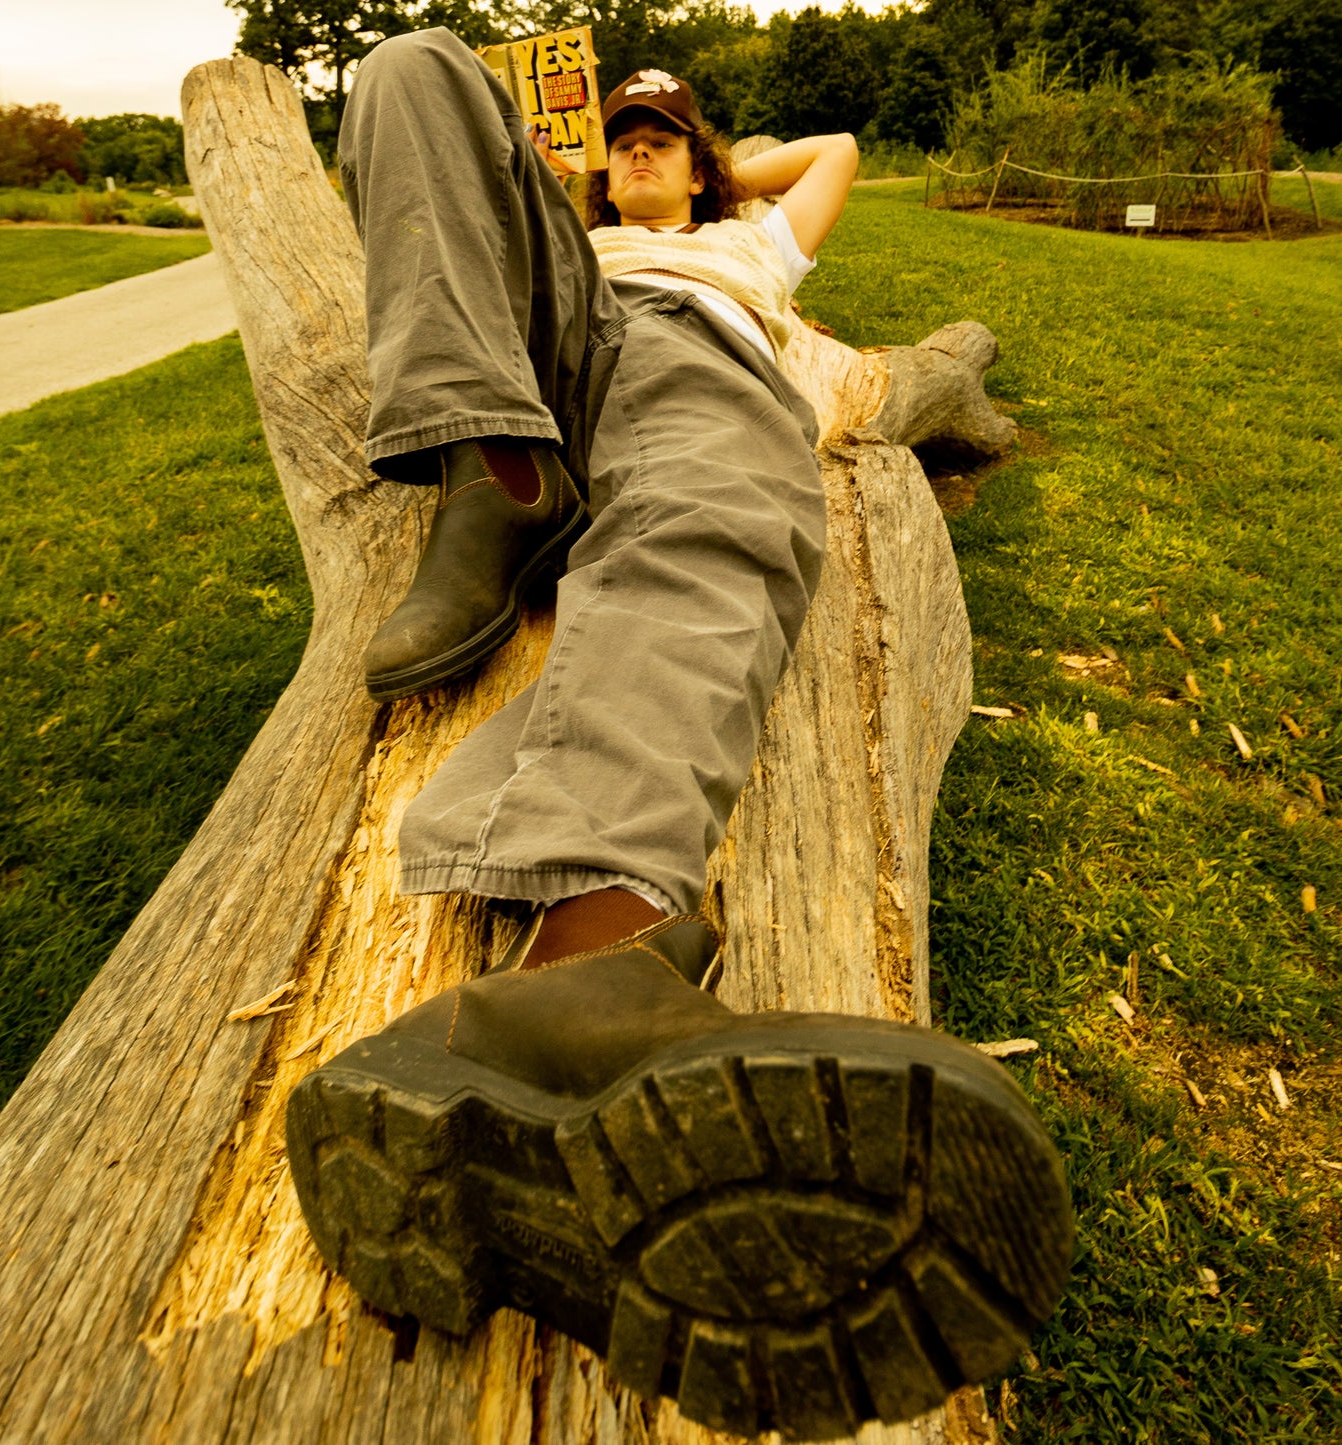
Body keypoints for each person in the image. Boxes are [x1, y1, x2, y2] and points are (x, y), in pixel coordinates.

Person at [286, 29, 1073, 1440]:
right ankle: (505, 472)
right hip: (548, 334)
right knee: (410, 64)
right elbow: (451, 163)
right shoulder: (566, 214)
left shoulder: (755, 236)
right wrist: (579, 175)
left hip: (694, 364)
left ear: (706, 162)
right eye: (625, 128)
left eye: (667, 130)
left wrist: (702, 174)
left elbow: (833, 152)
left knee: (713, 521)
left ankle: (582, 966)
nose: (640, 138)